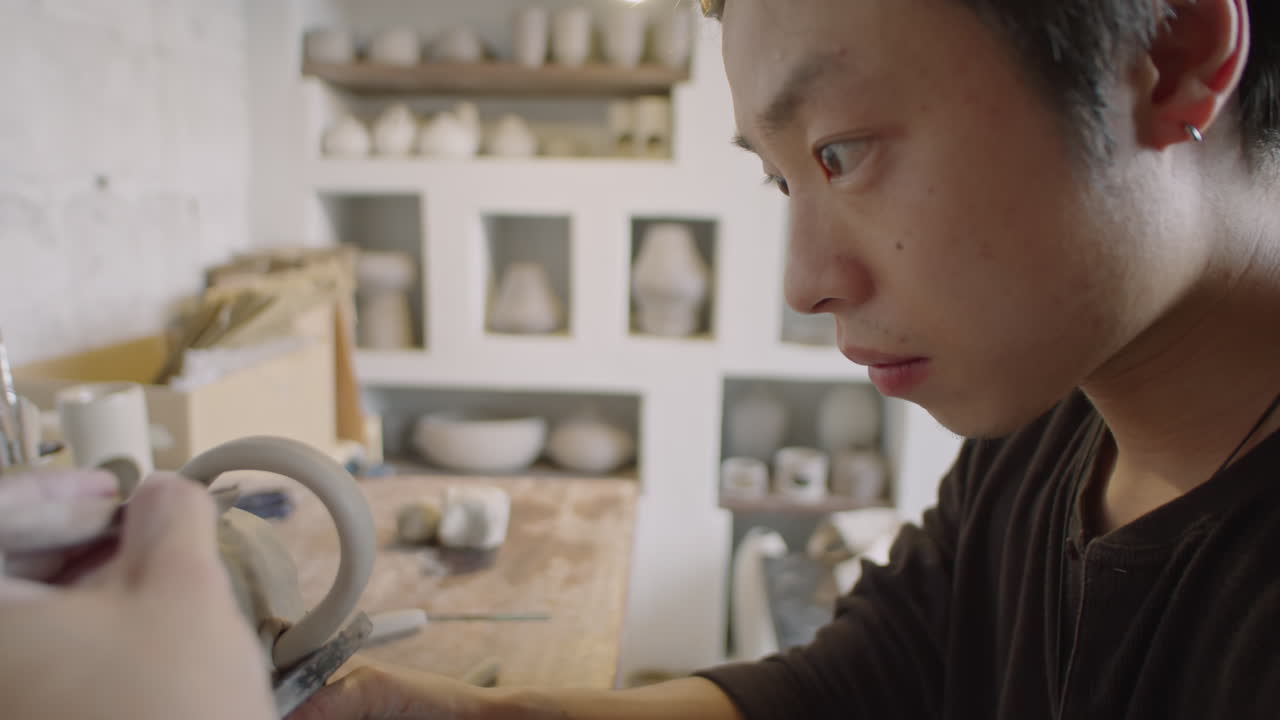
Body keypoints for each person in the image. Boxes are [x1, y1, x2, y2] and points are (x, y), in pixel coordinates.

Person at [4, 0, 1278, 716]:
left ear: (1163, 52)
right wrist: (464, 717)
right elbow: (872, 684)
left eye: (837, 151)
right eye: (778, 179)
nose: (801, 282)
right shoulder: (1059, 420)